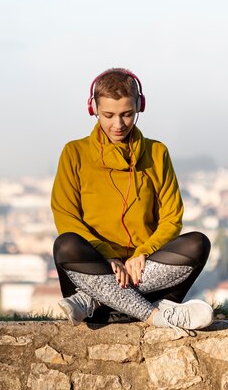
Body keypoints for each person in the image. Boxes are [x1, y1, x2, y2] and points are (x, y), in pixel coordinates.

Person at [51, 68, 213, 334]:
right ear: (93, 109)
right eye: (109, 115)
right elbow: (66, 216)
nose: (118, 124)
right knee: (66, 244)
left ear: (140, 107)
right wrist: (108, 257)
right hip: (98, 268)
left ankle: (94, 301)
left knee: (198, 243)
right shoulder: (74, 153)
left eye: (127, 114)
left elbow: (172, 218)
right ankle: (154, 314)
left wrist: (143, 253)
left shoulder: (157, 153)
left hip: (142, 268)